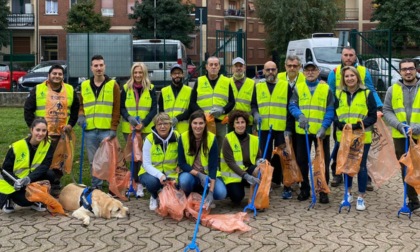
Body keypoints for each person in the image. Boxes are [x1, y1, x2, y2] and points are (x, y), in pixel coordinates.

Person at [327, 46, 382, 190]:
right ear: (341, 57)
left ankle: (366, 179)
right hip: (342, 121)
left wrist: (379, 108)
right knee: (340, 148)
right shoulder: (334, 73)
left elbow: (371, 89)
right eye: (345, 55)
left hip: (360, 122)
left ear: (355, 56)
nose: (348, 58)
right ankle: (337, 173)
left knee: (362, 153)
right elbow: (330, 94)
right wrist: (335, 119)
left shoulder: (364, 71)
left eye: (351, 55)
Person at [23, 64, 80, 197]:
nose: (57, 76)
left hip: (61, 135)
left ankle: (55, 184)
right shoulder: (38, 89)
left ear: (63, 76)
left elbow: (76, 110)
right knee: (41, 160)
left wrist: (71, 125)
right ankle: (39, 185)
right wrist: (34, 129)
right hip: (42, 134)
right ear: (49, 75)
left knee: (59, 161)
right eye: (54, 73)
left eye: (60, 74)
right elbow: (28, 109)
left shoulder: (70, 90)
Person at [289, 62, 334, 204]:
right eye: (307, 70)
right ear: (303, 72)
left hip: (321, 133)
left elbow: (330, 109)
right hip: (303, 132)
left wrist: (324, 126)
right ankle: (305, 188)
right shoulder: (298, 87)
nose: (310, 73)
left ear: (318, 71)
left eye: (313, 70)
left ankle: (323, 190)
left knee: (322, 162)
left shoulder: (326, 88)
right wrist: (299, 115)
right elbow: (292, 105)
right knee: (302, 161)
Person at [334, 66, 377, 211]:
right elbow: (333, 113)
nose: (350, 78)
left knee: (361, 166)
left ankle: (361, 197)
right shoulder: (338, 93)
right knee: (347, 166)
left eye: (352, 75)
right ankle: (347, 193)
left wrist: (359, 125)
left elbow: (373, 115)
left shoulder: (367, 93)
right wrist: (339, 124)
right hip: (344, 136)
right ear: (343, 79)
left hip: (362, 136)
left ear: (357, 77)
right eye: (346, 76)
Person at [251, 60, 294, 198]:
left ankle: (285, 184)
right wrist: (256, 114)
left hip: (281, 128)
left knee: (283, 158)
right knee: (265, 156)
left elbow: (290, 108)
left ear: (277, 70)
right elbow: (253, 105)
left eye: (273, 69)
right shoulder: (258, 86)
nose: (270, 72)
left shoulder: (285, 85)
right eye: (267, 70)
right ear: (263, 71)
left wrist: (288, 128)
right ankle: (265, 183)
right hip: (264, 128)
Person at [77, 55, 120, 190]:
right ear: (91, 68)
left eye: (101, 65)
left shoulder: (113, 85)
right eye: (96, 65)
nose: (98, 68)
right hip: (89, 130)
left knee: (107, 160)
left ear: (105, 66)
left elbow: (116, 108)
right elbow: (82, 104)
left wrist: (114, 128)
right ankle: (97, 187)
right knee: (93, 161)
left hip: (106, 130)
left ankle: (112, 185)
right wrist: (81, 115)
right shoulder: (84, 85)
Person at [383, 58, 420, 212]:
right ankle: (413, 200)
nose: (408, 71)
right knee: (407, 168)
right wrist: (399, 126)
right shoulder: (393, 89)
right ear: (400, 71)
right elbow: (387, 111)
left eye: (410, 68)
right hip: (401, 136)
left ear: (416, 69)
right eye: (404, 69)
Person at [0, 118, 54, 213]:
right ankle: (9, 199)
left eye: (44, 130)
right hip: (13, 181)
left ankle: (37, 199)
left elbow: (45, 166)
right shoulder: (17, 147)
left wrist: (28, 179)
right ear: (31, 129)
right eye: (38, 130)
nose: (40, 133)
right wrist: (15, 182)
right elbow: (5, 170)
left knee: (50, 175)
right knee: (25, 201)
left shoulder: (48, 145)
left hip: (29, 179)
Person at [121, 62, 157, 196]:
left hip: (145, 128)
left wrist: (145, 123)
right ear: (132, 74)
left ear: (144, 73)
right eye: (135, 72)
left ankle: (142, 183)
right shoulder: (125, 88)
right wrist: (128, 117)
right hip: (129, 129)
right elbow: (122, 107)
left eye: (140, 72)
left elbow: (154, 109)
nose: (137, 75)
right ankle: (133, 182)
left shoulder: (151, 88)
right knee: (132, 157)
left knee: (144, 157)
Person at [178, 110, 227, 209]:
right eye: (195, 123)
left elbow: (213, 166)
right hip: (191, 174)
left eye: (201, 123)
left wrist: (211, 192)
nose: (198, 126)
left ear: (205, 124)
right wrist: (199, 174)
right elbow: (182, 163)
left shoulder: (212, 138)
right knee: (184, 181)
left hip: (208, 176)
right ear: (190, 124)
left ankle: (204, 195)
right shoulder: (183, 137)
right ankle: (191, 194)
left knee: (221, 193)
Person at [190, 56, 235, 152]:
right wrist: (202, 114)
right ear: (206, 67)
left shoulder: (227, 81)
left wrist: (223, 110)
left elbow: (232, 102)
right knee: (203, 148)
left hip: (220, 123)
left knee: (220, 148)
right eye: (211, 65)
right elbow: (192, 102)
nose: (213, 67)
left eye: (216, 65)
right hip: (203, 122)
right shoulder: (199, 81)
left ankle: (218, 166)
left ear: (219, 67)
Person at [138, 113, 179, 210]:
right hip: (150, 173)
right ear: (155, 126)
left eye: (165, 124)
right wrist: (160, 175)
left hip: (172, 173)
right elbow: (146, 164)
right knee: (153, 183)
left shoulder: (177, 136)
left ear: (170, 125)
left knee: (184, 182)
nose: (162, 127)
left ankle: (170, 196)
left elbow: (183, 157)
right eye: (159, 124)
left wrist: (179, 168)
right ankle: (154, 196)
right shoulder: (149, 139)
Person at [220, 110, 261, 205]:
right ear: (233, 125)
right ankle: (228, 189)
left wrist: (260, 161)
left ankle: (253, 200)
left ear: (246, 123)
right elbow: (230, 163)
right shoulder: (228, 139)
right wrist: (246, 176)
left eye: (242, 122)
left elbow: (258, 157)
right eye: (237, 123)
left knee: (260, 170)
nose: (240, 125)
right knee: (237, 198)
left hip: (248, 170)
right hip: (233, 175)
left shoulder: (254, 139)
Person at [159, 64, 191, 134]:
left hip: (184, 130)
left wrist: (178, 118)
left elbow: (191, 110)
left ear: (183, 74)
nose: (177, 75)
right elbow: (161, 111)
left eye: (179, 73)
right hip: (168, 129)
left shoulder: (189, 91)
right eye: (174, 73)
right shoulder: (164, 91)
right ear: (171, 75)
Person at [228, 57, 255, 133]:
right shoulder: (227, 82)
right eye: (236, 66)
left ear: (244, 68)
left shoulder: (252, 83)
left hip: (246, 122)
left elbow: (254, 103)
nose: (238, 68)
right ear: (232, 68)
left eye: (241, 66)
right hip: (231, 121)